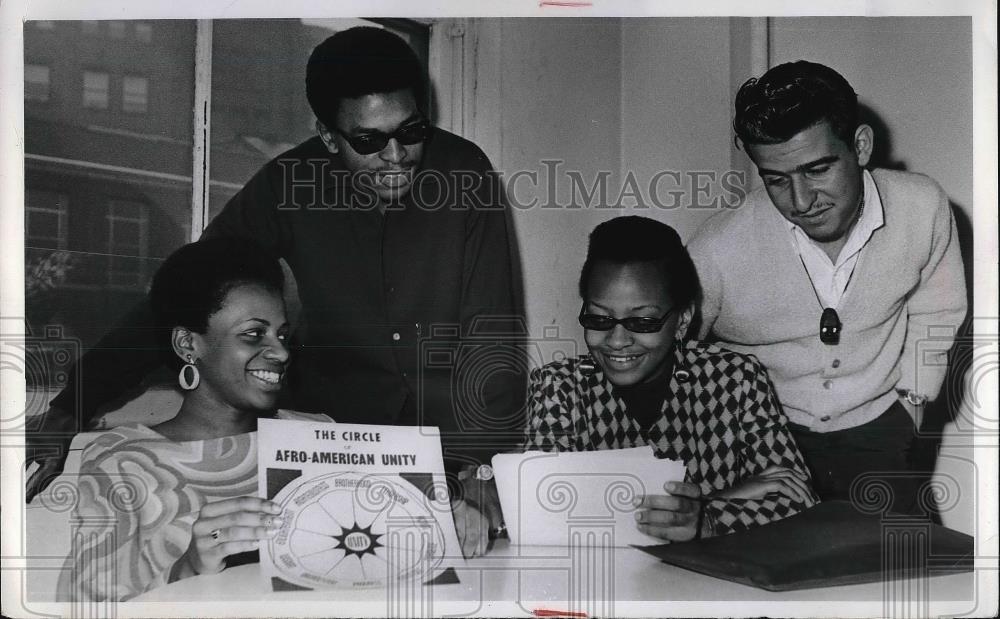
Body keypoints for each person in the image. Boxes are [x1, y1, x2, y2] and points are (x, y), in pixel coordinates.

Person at [28, 27, 524, 538]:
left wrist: (476, 469)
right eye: (369, 141)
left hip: (452, 449)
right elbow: (191, 291)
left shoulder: (466, 173)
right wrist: (75, 401)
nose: (396, 156)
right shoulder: (289, 183)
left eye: (411, 130)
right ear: (328, 135)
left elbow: (491, 333)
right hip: (337, 444)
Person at [688, 61, 966, 514]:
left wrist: (913, 400)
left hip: (880, 435)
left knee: (911, 572)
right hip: (762, 452)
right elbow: (669, 358)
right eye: (776, 179)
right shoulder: (715, 248)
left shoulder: (923, 206)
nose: (800, 201)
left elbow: (938, 309)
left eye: (817, 170)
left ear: (860, 146)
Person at [57, 238, 335, 601]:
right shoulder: (123, 462)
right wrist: (188, 568)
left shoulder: (320, 435)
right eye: (254, 334)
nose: (281, 351)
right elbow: (86, 608)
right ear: (188, 344)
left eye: (282, 334)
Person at [523, 216, 818, 541]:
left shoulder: (736, 379)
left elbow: (797, 495)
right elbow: (541, 513)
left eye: (643, 321)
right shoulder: (560, 387)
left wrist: (707, 521)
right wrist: (710, 505)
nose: (617, 340)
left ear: (682, 320)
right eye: (598, 318)